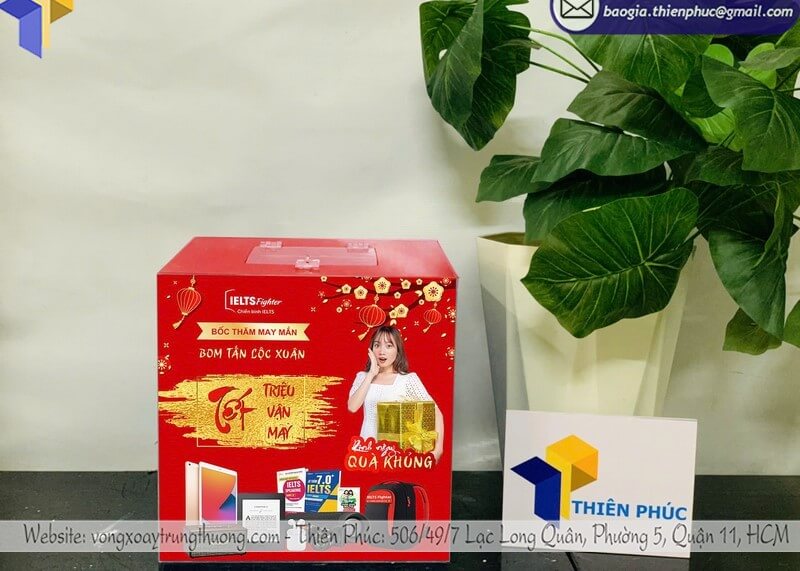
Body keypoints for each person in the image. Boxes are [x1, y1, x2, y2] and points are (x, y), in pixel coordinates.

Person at [347, 325, 444, 462]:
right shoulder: (362, 377)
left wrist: (438, 449)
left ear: (398, 350)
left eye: (389, 346)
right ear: (371, 350)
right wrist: (371, 374)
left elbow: (435, 412)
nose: (382, 351)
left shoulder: (407, 380)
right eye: (377, 345)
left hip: (395, 455)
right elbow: (352, 407)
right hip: (366, 451)